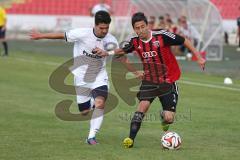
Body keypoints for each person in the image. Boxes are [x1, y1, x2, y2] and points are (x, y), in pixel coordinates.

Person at [94, 12, 205, 148]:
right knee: (142, 107)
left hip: (167, 80)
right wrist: (107, 53)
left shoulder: (162, 36)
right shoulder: (135, 42)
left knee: (169, 118)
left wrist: (198, 57)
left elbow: (184, 41)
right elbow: (122, 51)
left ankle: (164, 118)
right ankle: (130, 139)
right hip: (149, 81)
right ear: (134, 29)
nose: (140, 30)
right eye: (137, 28)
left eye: (142, 27)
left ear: (148, 26)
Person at [30, 11, 118, 145]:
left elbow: (119, 51)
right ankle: (92, 105)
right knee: (84, 112)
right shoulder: (82, 34)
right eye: (101, 28)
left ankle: (91, 137)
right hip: (81, 78)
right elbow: (61, 35)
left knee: (100, 104)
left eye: (107, 28)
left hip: (99, 77)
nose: (104, 31)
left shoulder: (111, 39)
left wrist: (109, 52)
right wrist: (41, 35)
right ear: (94, 25)